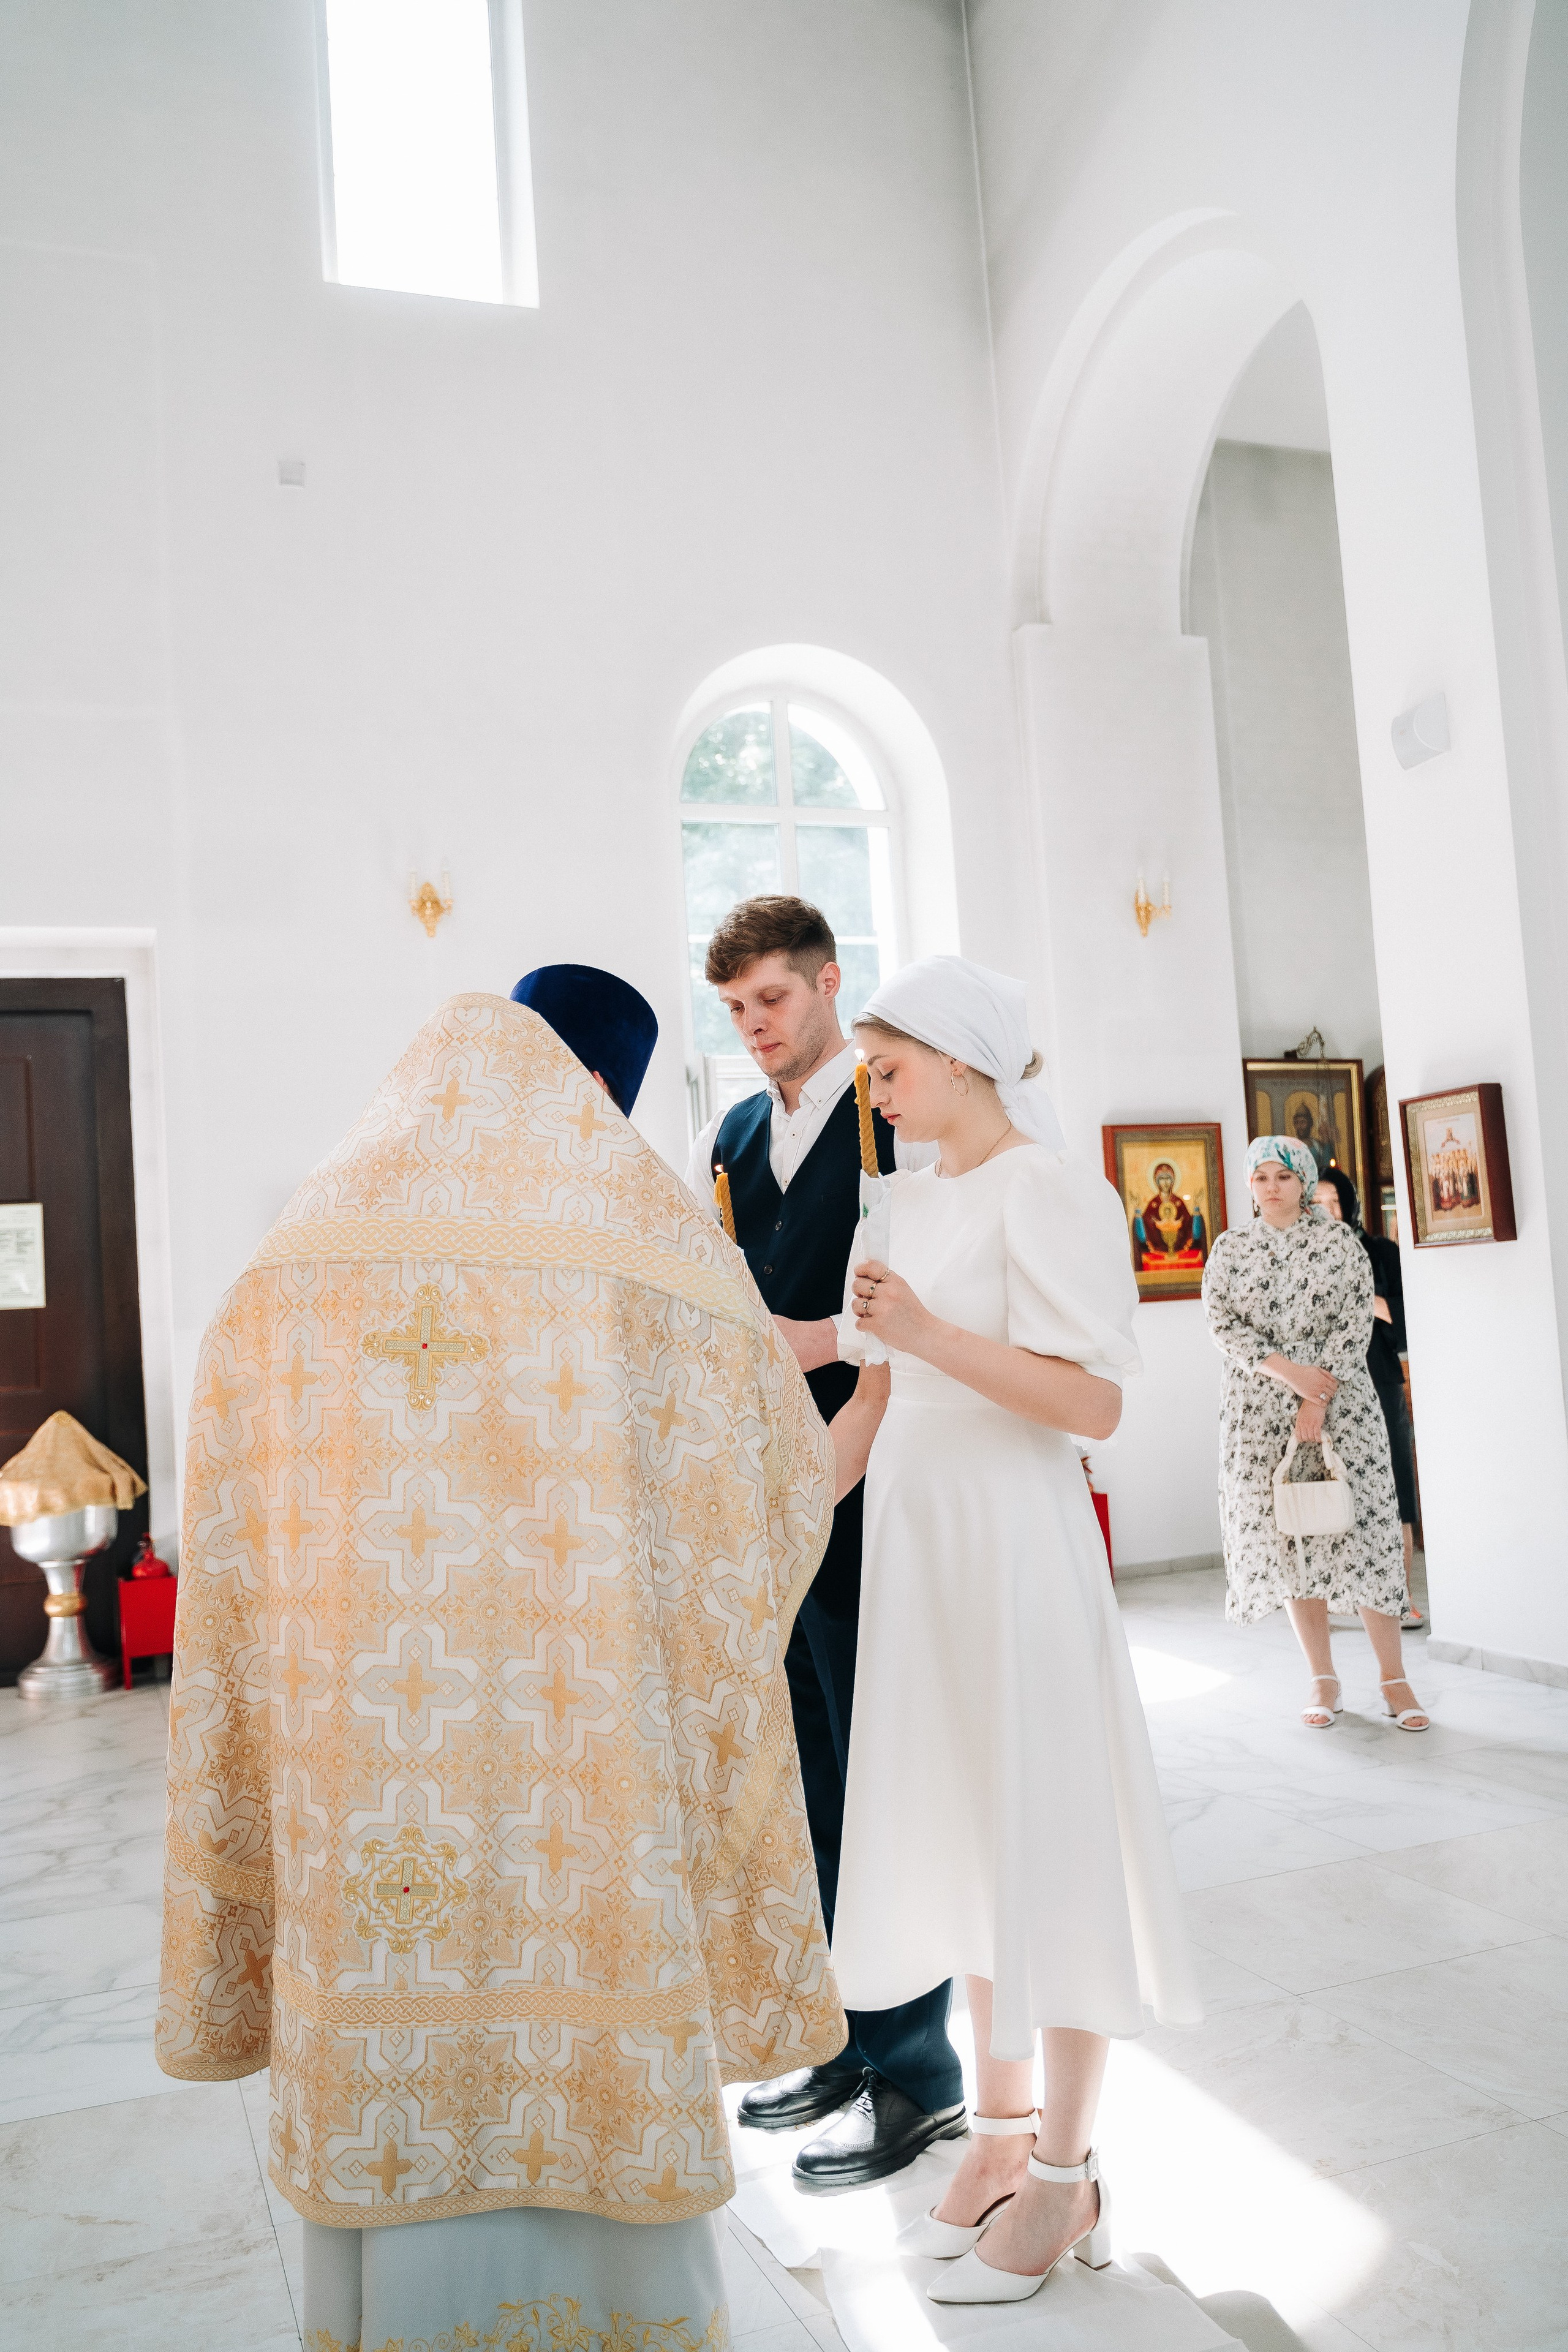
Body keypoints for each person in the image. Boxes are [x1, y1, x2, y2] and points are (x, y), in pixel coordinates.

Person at [157, 971, 850, 2351]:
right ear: (600, 1087)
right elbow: (778, 1495)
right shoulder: (643, 1243)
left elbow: (231, 1534)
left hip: (372, 1797)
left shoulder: (298, 1254)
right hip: (579, 1781)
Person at [827, 954, 1200, 2308]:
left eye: (888, 1064)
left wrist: (923, 1331)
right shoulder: (895, 1201)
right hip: (920, 1555)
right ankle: (991, 2141)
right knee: (964, 1836)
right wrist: (772, 1529)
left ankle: (1065, 2172)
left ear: (964, 1062)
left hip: (1016, 1548)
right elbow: (864, 1409)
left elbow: (1091, 1409)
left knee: (1045, 1839)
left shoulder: (1053, 1189)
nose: (873, 1088)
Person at [685, 895, 965, 2190]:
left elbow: (927, 1293)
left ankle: (921, 2074)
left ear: (827, 986)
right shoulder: (735, 1136)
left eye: (774, 1002)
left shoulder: (891, 1114)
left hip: (878, 1473)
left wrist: (818, 1346)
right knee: (806, 1775)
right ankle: (846, 2040)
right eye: (736, 1010)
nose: (754, 1030)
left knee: (883, 1766)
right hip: (769, 1490)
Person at [1202, 1137, 1428, 1732]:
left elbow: (1354, 1321)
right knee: (1292, 1538)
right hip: (1259, 1409)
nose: (1270, 1186)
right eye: (1260, 1177)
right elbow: (1221, 1322)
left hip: (1342, 1402)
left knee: (1368, 1532)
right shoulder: (1230, 1248)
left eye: (1283, 1175)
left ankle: (1393, 1679)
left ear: (1303, 1181)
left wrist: (1317, 1395)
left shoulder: (1339, 1243)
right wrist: (1287, 1373)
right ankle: (1322, 1680)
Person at [1315, 1168, 1423, 1630]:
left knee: (1395, 1487)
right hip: (1322, 1387)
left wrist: (1368, 1300)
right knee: (1331, 1488)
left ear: (1350, 1204)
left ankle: (1401, 1596)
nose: (1327, 1211)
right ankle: (1340, 1598)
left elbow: (1408, 1316)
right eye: (1317, 1202)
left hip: (1379, 1380)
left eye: (1334, 1202)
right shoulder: (1304, 1257)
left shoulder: (1381, 1252)